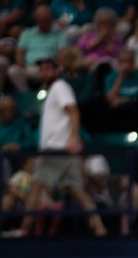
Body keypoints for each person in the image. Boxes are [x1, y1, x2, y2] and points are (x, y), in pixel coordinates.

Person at [27, 48, 109, 236]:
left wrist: (73, 139)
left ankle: (24, 231)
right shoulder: (54, 90)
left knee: (36, 187)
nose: (44, 73)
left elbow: (74, 112)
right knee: (78, 190)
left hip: (55, 149)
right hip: (62, 149)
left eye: (48, 69)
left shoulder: (60, 87)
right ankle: (100, 228)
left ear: (57, 70)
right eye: (42, 70)